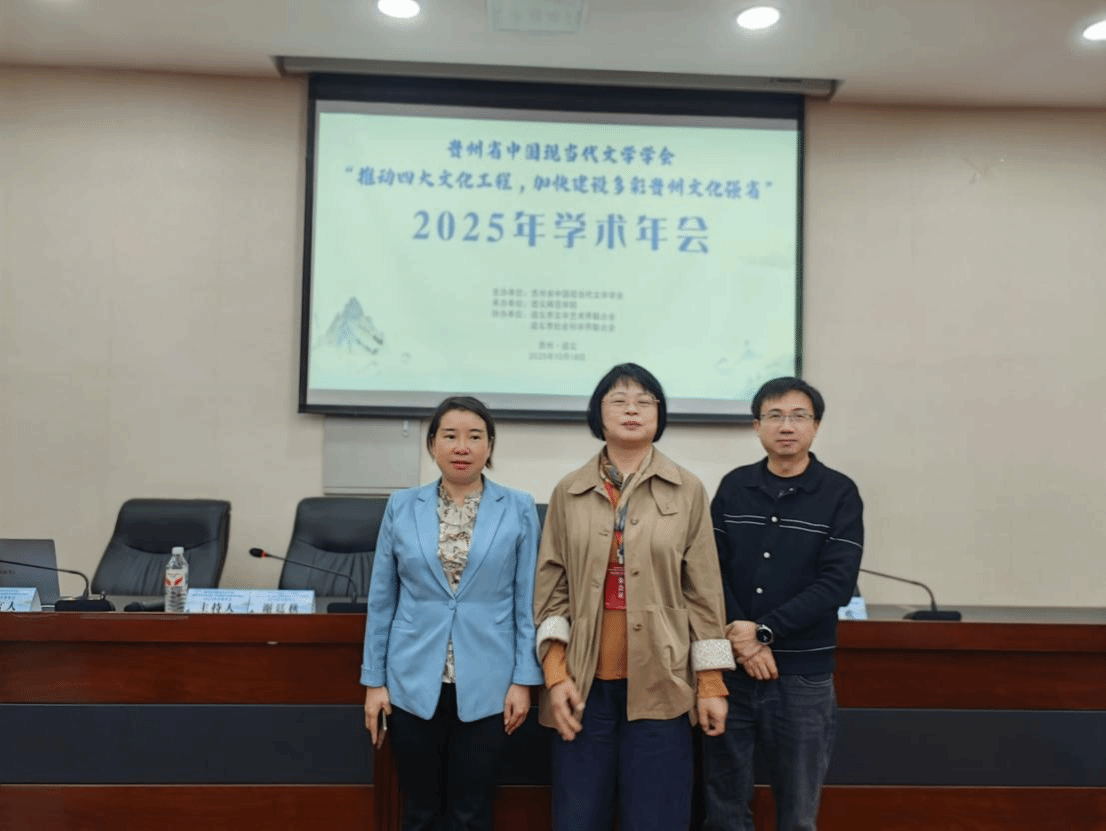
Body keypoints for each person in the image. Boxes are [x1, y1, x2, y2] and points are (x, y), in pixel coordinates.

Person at [533, 363, 735, 831]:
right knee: (578, 820)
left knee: (657, 820)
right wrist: (556, 676)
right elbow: (551, 590)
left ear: (658, 415)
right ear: (597, 413)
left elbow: (704, 594)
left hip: (663, 682)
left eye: (644, 401)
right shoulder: (569, 491)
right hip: (581, 687)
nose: (632, 410)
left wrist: (710, 684)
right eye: (618, 401)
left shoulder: (687, 490)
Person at [361, 396, 544, 831]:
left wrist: (524, 679)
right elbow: (382, 598)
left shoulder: (518, 507)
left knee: (472, 812)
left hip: (490, 679)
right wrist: (374, 681)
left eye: (474, 436)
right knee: (419, 810)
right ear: (432, 444)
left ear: (489, 445)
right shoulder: (402, 505)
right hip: (411, 678)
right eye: (450, 436)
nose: (462, 446)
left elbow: (528, 600)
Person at [702, 377, 864, 831]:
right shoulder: (734, 486)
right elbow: (709, 570)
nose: (786, 426)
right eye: (774, 416)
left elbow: (837, 583)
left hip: (802, 679)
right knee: (724, 810)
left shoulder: (839, 493)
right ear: (757, 426)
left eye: (798, 416)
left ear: (816, 426)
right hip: (731, 673)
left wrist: (762, 632)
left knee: (797, 814)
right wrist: (742, 637)